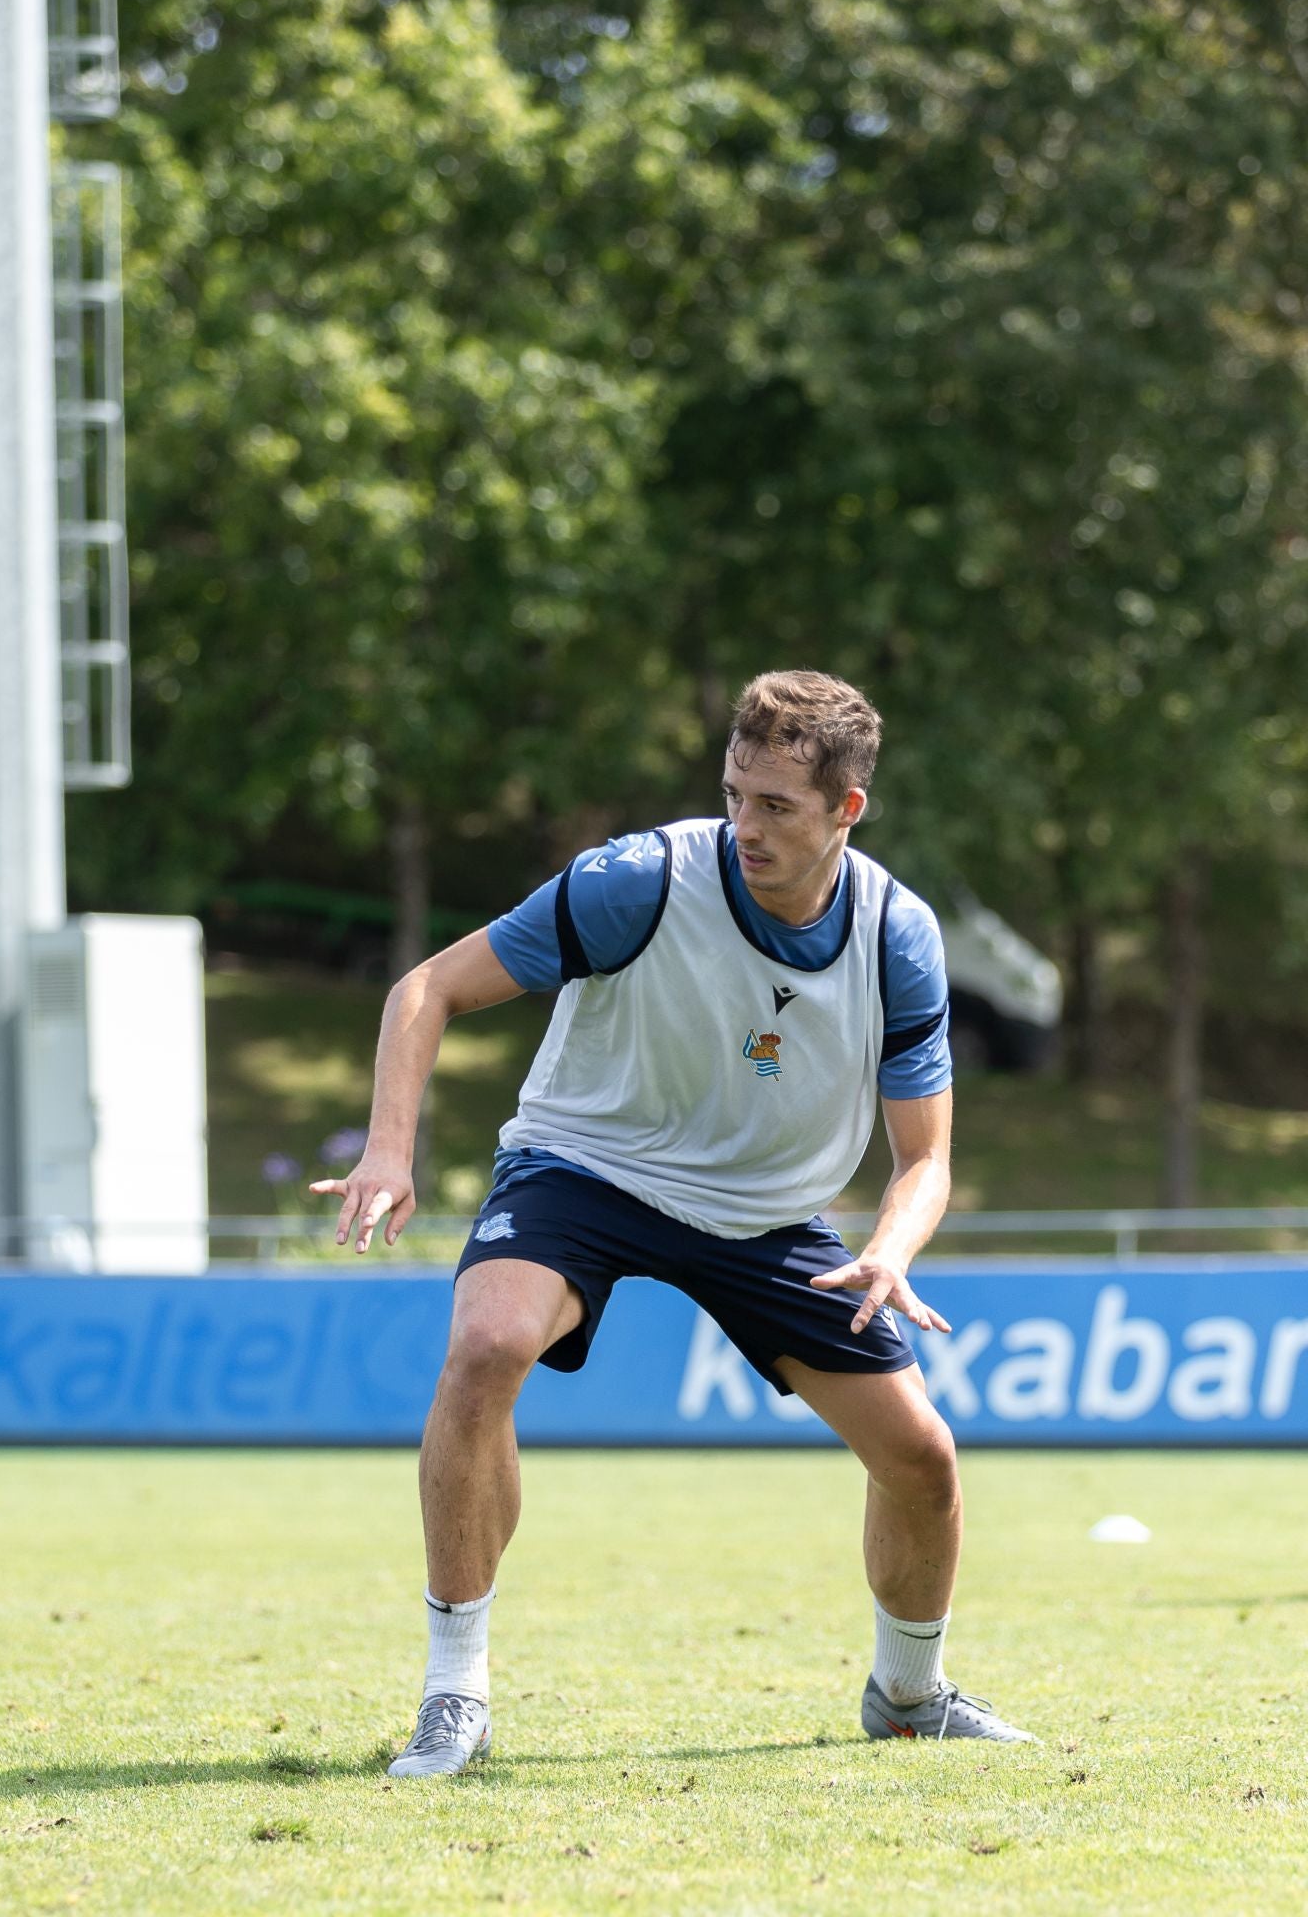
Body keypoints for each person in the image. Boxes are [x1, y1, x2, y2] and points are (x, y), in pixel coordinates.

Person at [313, 669, 1034, 1776]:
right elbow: (427, 989)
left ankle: (908, 1692)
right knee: (488, 1344)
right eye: (735, 793)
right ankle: (454, 1694)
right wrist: (389, 1149)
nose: (744, 824)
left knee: (923, 1458)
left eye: (778, 806)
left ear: (848, 809)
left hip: (765, 1214)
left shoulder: (898, 935)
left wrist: (887, 1252)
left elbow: (926, 1159)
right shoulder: (637, 882)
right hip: (588, 1167)